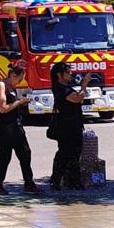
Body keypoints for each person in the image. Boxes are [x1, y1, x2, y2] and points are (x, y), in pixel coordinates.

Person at [0, 63, 38, 195]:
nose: (20, 82)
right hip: (4, 127)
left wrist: (21, 103)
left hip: (15, 125)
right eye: (19, 79)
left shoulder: (11, 87)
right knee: (5, 155)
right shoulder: (1, 86)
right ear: (13, 75)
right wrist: (19, 102)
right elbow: (2, 108)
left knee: (25, 153)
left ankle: (29, 183)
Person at [49, 62, 87, 190]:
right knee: (66, 153)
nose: (71, 74)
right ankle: (61, 180)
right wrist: (84, 85)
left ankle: (69, 180)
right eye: (68, 72)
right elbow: (78, 98)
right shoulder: (62, 89)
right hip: (67, 127)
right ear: (60, 75)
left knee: (73, 153)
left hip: (72, 125)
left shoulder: (64, 87)